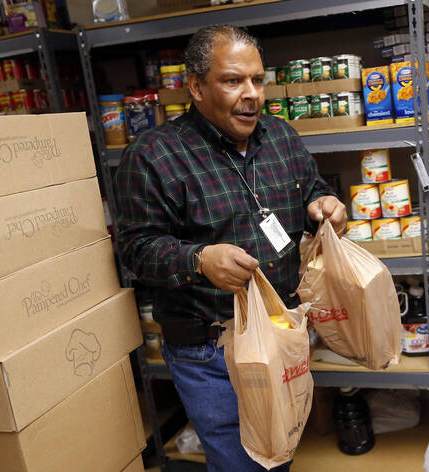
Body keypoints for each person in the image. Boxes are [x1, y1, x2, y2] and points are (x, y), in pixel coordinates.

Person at [114, 25, 346, 472]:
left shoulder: (280, 137)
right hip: (210, 350)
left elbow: (311, 189)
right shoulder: (153, 156)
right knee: (242, 462)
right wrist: (198, 260)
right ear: (196, 86)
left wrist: (324, 205)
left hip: (280, 332)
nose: (251, 94)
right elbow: (135, 249)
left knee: (279, 450)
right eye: (233, 81)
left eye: (258, 80)